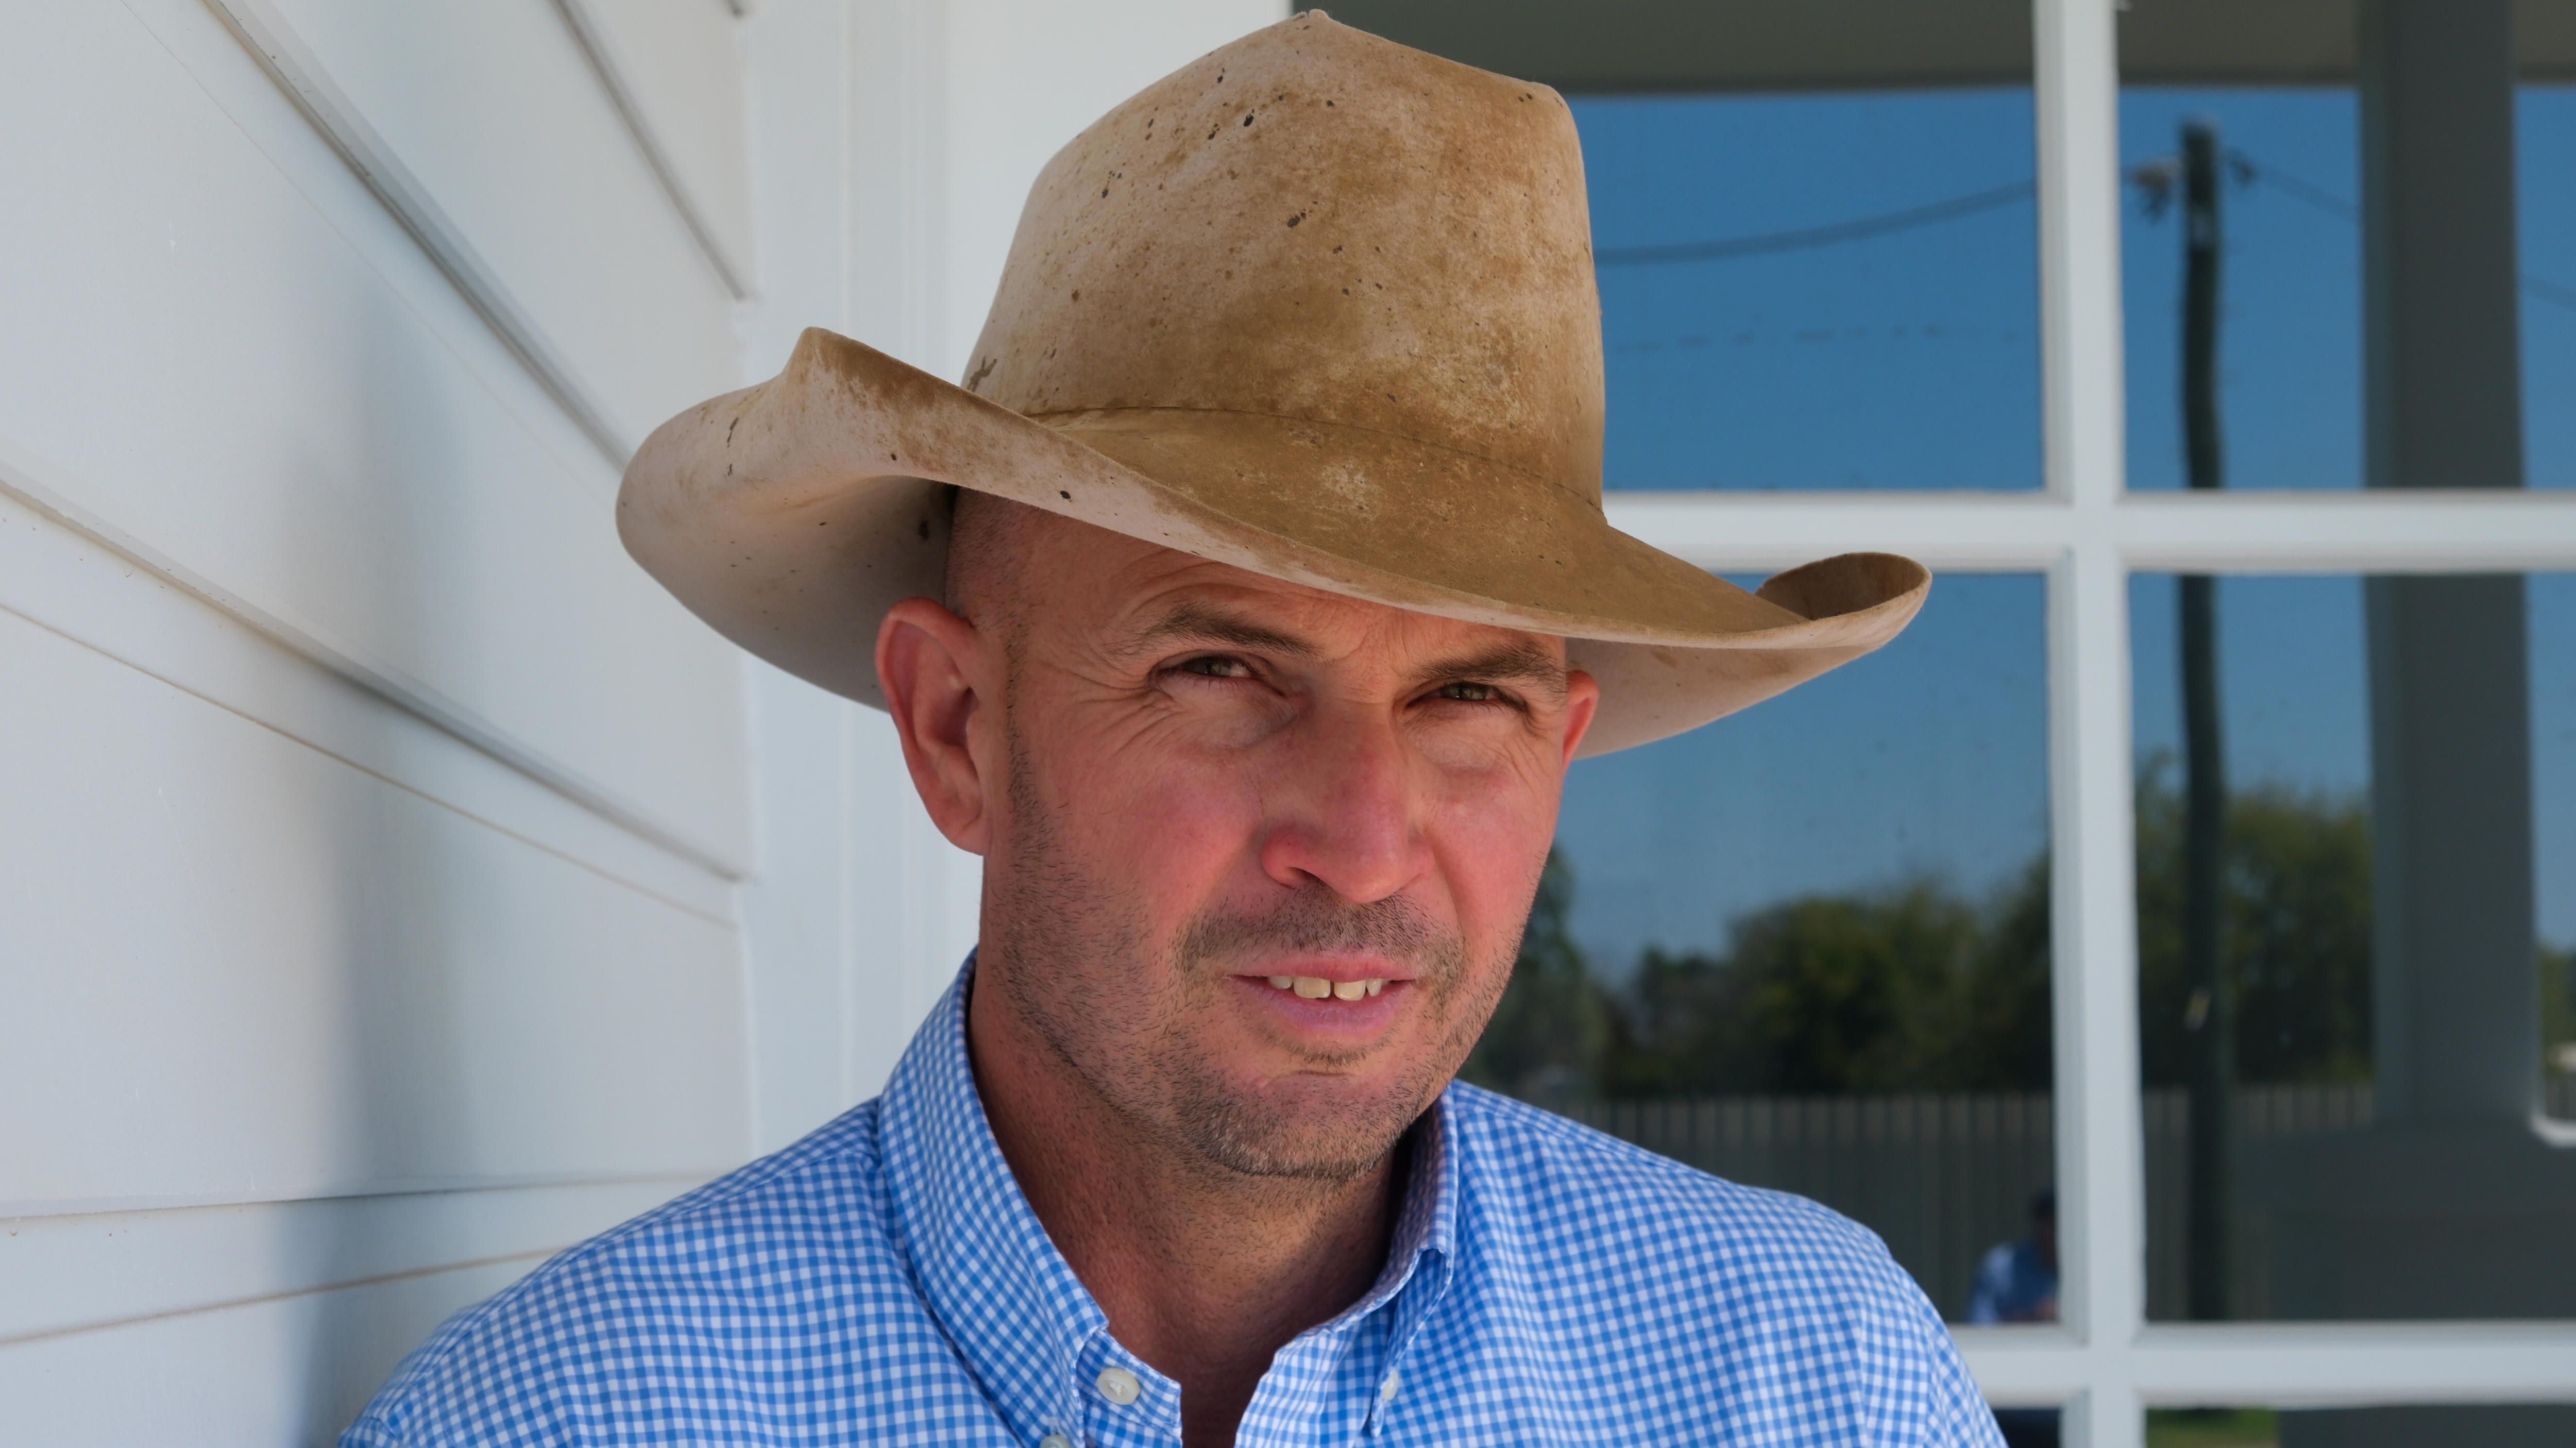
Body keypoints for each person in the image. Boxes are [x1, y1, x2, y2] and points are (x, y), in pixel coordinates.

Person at [343, 14, 1989, 1445]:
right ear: (957, 729)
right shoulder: (565, 1420)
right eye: (1219, 671)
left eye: (1463, 695)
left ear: (1557, 754)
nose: (1357, 840)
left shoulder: (1805, 1383)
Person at [1968, 1189, 2062, 1448]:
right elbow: (1979, 1334)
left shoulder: (2089, 1269)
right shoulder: (2002, 1267)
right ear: (2040, 1224)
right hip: (2012, 1414)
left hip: (2068, 1414)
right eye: (2052, 1224)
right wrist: (2034, 1319)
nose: (2058, 1234)